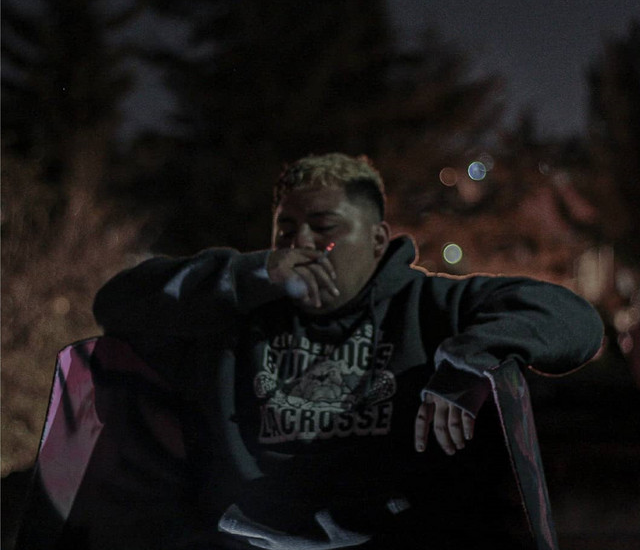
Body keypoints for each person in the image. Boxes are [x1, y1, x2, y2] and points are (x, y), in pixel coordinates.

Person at [92, 152, 603, 549]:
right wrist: (251, 274)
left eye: (324, 229)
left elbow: (572, 318)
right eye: (286, 230)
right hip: (247, 540)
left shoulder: (428, 305)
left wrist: (469, 360)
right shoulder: (241, 311)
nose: (301, 245)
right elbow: (118, 302)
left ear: (378, 240)